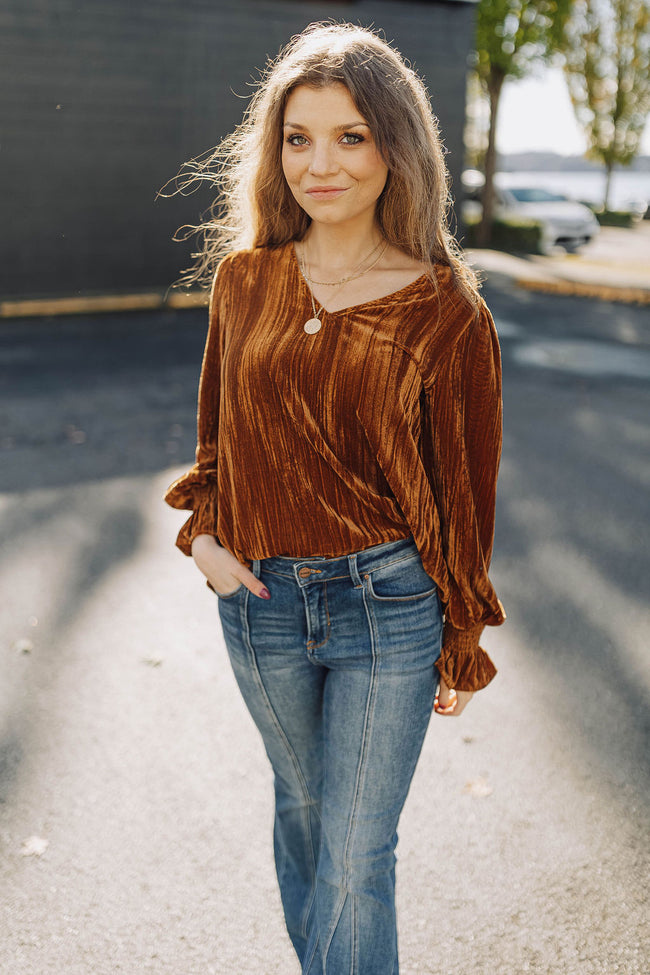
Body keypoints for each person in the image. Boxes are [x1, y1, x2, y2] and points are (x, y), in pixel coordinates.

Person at [163, 21, 505, 975]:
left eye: (351, 135)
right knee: (304, 811)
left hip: (387, 606)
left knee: (358, 852)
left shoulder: (447, 311)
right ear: (275, 152)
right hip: (260, 604)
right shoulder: (245, 282)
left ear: (396, 147)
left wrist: (458, 626)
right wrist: (205, 544)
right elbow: (218, 438)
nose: (322, 163)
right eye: (299, 137)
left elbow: (465, 489)